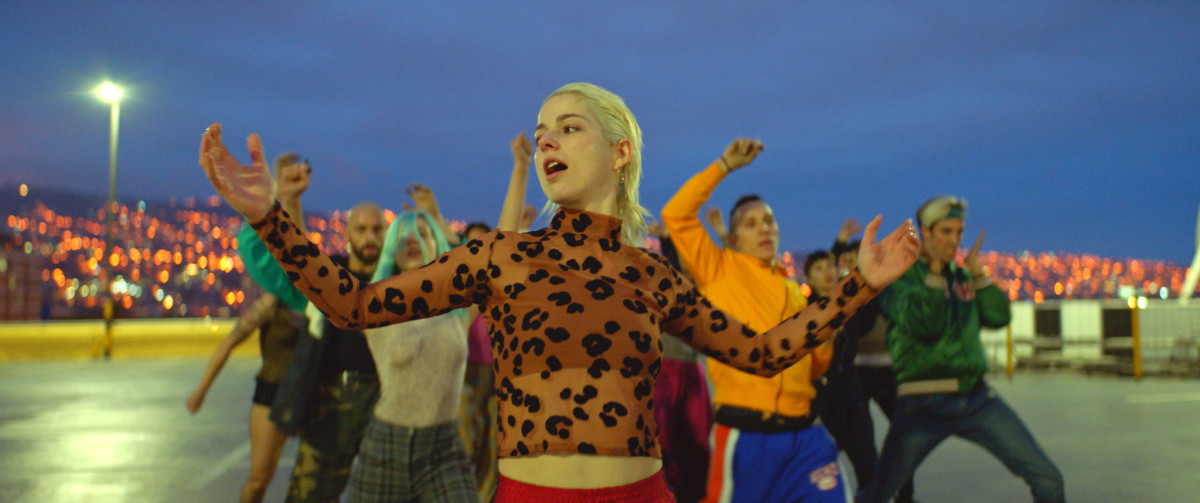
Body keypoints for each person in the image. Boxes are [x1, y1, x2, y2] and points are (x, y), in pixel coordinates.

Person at [199, 82, 920, 503]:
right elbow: (352, 304)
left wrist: (861, 284)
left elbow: (763, 352)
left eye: (568, 128)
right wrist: (270, 220)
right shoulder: (499, 257)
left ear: (620, 150)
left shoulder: (650, 273)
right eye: (542, 131)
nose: (547, 141)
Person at [661, 139, 847, 502]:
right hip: (747, 435)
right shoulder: (718, 269)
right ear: (732, 238)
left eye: (769, 221)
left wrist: (826, 334)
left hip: (806, 433)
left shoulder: (795, 292)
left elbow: (813, 367)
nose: (764, 229)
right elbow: (677, 215)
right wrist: (724, 166)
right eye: (751, 224)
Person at [857, 196, 1064, 503]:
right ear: (925, 233)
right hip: (921, 403)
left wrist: (977, 273)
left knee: (1048, 478)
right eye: (946, 232)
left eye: (959, 232)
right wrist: (935, 273)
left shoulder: (961, 276)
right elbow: (925, 324)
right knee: (878, 494)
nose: (954, 240)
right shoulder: (900, 279)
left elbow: (998, 317)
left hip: (975, 398)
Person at [186, 151, 310, 503]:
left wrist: (291, 199)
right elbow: (228, 344)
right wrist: (201, 391)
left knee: (313, 483)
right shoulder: (270, 305)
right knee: (258, 480)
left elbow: (303, 254)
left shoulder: (317, 302)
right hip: (271, 392)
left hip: (313, 392)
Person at [243, 198, 384, 503]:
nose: (370, 237)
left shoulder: (396, 281)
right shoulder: (333, 273)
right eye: (361, 229)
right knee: (308, 494)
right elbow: (299, 257)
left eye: (377, 229)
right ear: (348, 234)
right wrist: (291, 199)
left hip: (384, 401)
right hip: (331, 402)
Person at [647, 221, 714, 503]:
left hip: (689, 370)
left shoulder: (700, 290)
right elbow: (675, 273)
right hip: (666, 372)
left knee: (697, 440)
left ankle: (694, 494)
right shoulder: (667, 288)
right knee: (667, 440)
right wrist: (666, 241)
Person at [805, 250, 878, 496]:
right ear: (810, 279)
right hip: (820, 402)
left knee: (869, 468)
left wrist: (862, 273)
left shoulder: (848, 306)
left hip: (851, 396)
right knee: (818, 474)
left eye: (830, 266)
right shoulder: (803, 312)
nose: (827, 271)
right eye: (819, 268)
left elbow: (871, 314)